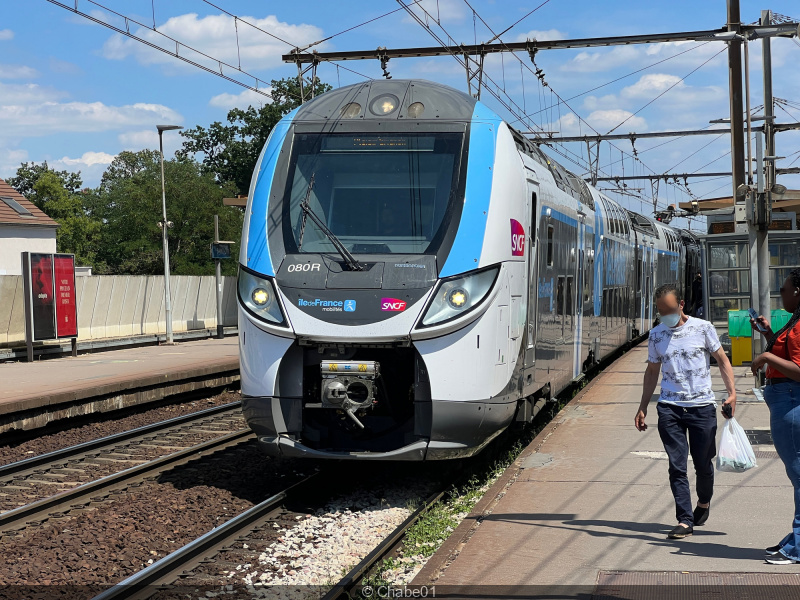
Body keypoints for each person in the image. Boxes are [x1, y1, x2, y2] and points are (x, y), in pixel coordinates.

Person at [635, 283, 737, 539]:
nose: (664, 315)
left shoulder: (703, 328)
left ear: (681, 305)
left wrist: (732, 393)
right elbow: (651, 372)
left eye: (668, 309)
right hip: (670, 409)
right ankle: (684, 519)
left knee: (703, 464)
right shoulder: (657, 335)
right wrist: (642, 406)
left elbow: (722, 360)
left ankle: (703, 502)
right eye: (660, 311)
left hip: (702, 407)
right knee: (677, 466)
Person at [751, 268, 800, 565]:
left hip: (791, 401)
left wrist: (767, 357)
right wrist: (768, 334)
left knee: (799, 476)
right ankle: (795, 539)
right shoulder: (795, 321)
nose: (780, 293)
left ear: (797, 292)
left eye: (783, 289)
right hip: (786, 399)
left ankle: (797, 547)